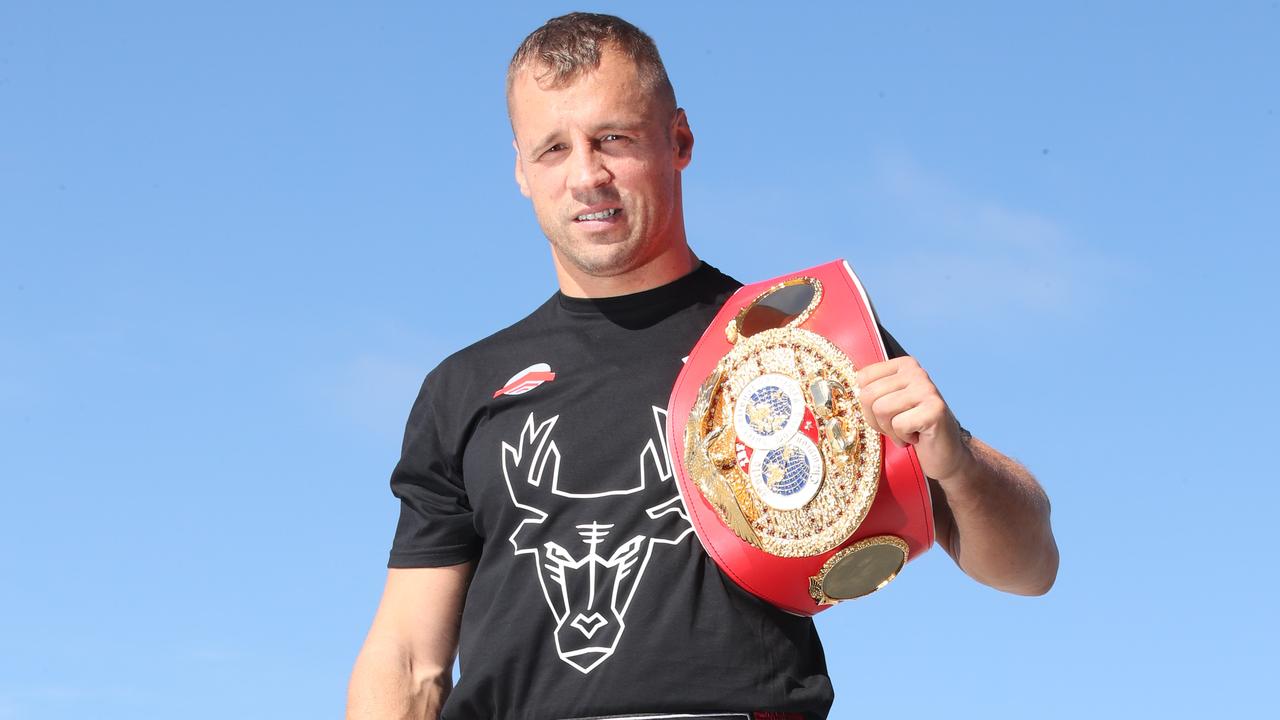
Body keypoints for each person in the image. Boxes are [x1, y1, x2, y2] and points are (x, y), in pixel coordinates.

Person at [346, 12, 1058, 720]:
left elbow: (1029, 568)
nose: (586, 175)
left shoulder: (797, 337)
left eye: (612, 139)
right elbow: (408, 660)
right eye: (553, 149)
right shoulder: (463, 388)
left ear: (678, 140)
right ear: (522, 173)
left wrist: (957, 458)